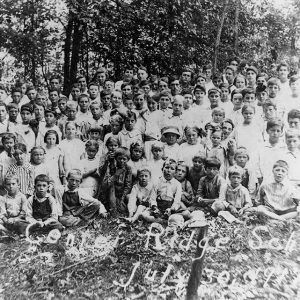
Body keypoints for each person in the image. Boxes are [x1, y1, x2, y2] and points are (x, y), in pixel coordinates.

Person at [98, 146, 132, 216]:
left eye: (124, 159)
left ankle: (118, 204)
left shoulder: (128, 168)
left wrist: (122, 198)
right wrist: (116, 174)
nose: (122, 161)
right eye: (120, 158)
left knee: (123, 208)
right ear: (116, 158)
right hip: (112, 191)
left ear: (128, 159)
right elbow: (106, 184)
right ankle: (112, 207)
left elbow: (128, 185)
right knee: (113, 205)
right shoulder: (112, 166)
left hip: (121, 193)